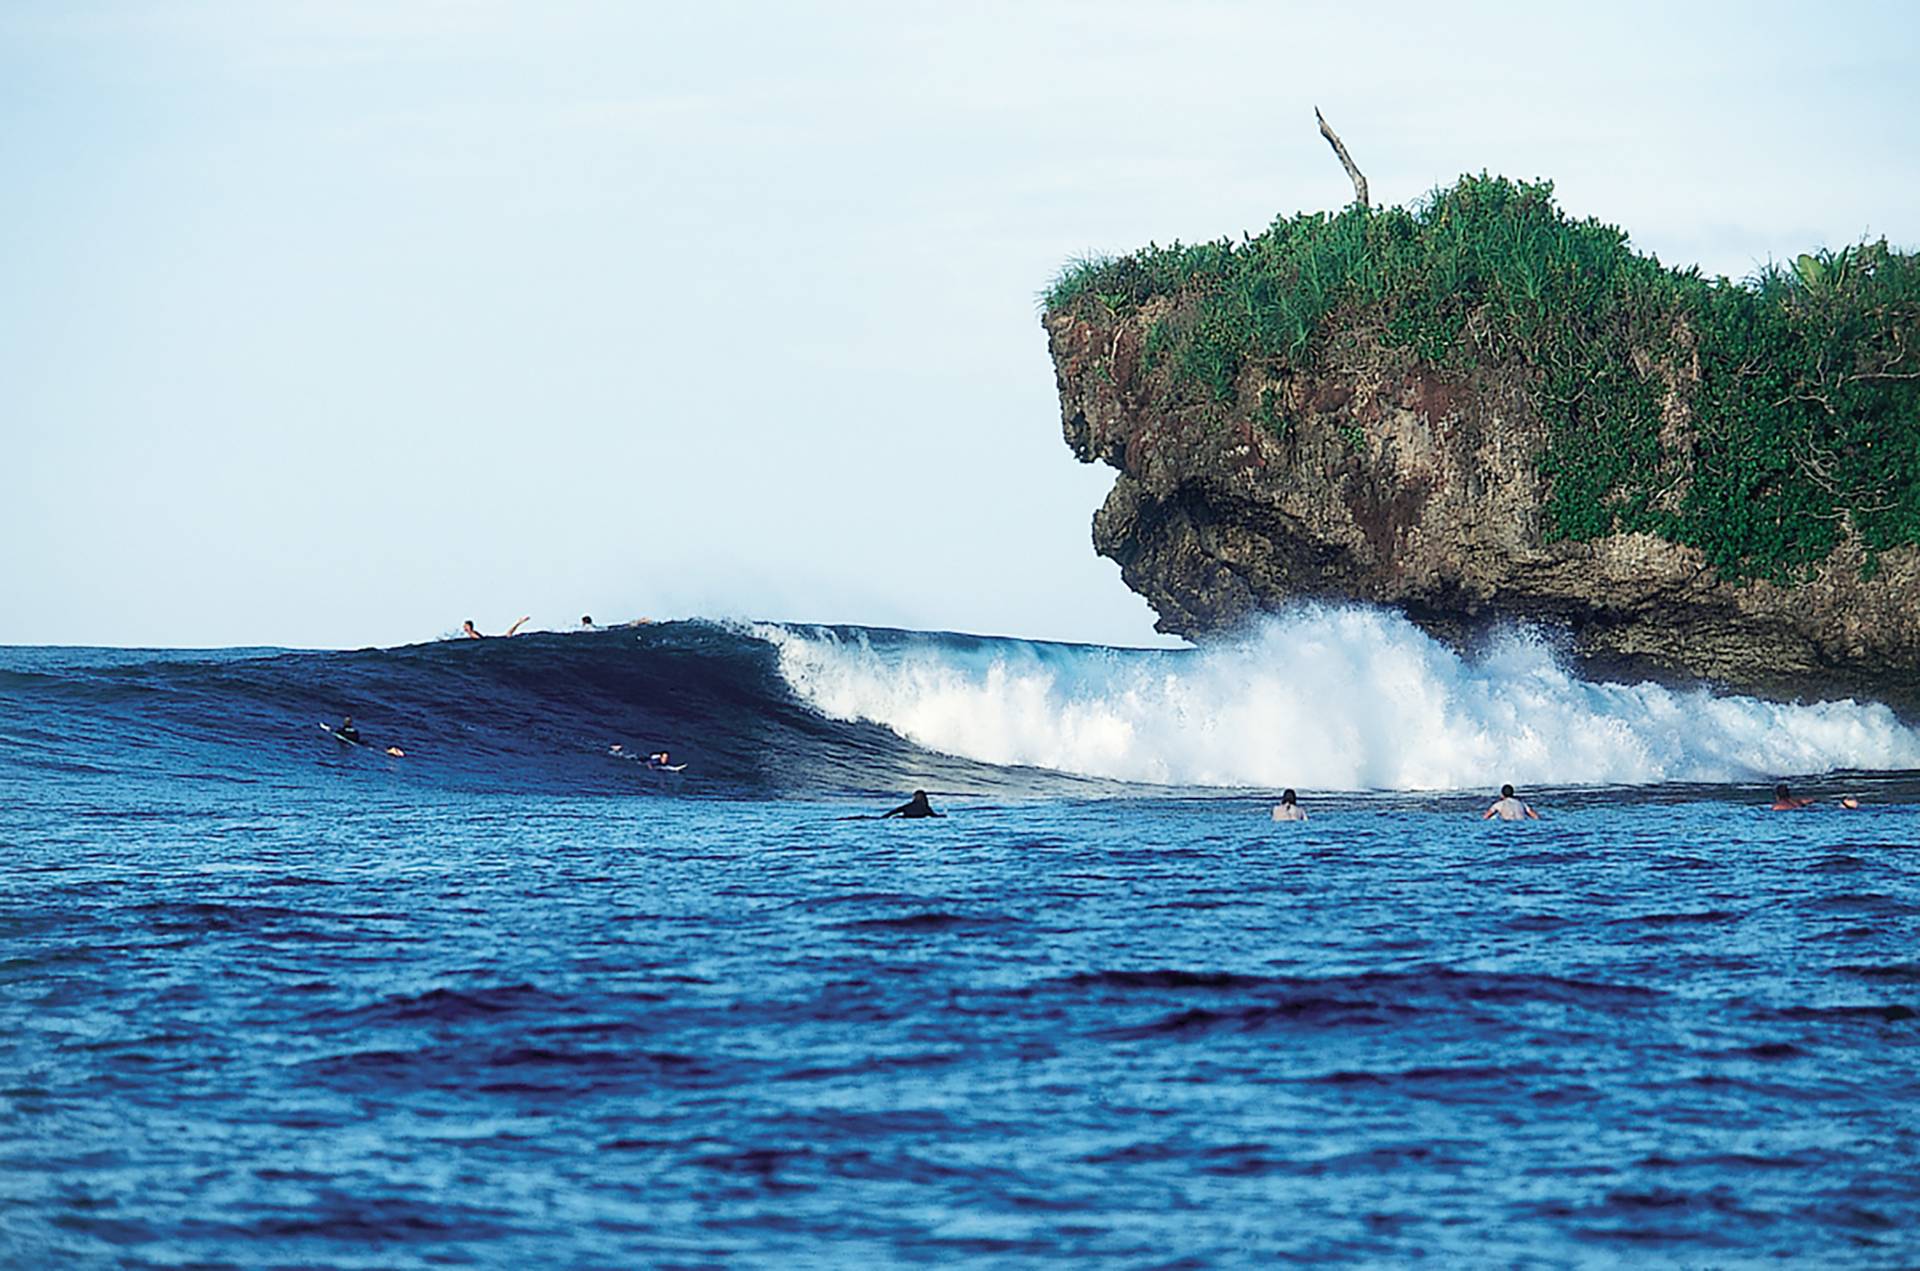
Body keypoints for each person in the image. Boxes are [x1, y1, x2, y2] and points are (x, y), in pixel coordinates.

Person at [462, 616, 532, 639]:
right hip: (488, 638)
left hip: (488, 640)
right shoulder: (472, 632)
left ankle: (519, 622)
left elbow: (479, 639)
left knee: (507, 635)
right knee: (508, 635)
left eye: (465, 626)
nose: (463, 628)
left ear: (468, 626)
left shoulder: (471, 633)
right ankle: (518, 622)